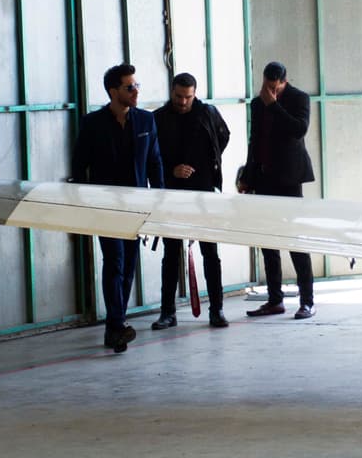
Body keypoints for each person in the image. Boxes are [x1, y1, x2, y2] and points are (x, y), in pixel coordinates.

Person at [71, 63, 164, 353]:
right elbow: (78, 165)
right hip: (105, 207)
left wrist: (160, 202)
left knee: (127, 268)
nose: (135, 91)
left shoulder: (147, 122)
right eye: (129, 87)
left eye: (137, 86)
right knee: (114, 263)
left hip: (137, 207)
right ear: (114, 92)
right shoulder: (92, 123)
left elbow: (155, 163)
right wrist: (81, 203)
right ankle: (116, 325)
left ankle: (115, 326)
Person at [151, 72, 232, 330]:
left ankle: (217, 309)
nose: (183, 102)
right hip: (171, 192)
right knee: (171, 253)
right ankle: (168, 312)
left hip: (203, 191)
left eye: (188, 97)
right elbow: (153, 156)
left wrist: (206, 164)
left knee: (210, 252)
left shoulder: (207, 113)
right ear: (171, 92)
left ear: (194, 94)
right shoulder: (159, 118)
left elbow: (223, 136)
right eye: (178, 96)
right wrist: (171, 171)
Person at [237, 61, 317, 320]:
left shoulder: (298, 98)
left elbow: (298, 130)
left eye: (275, 87)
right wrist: (247, 176)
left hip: (290, 178)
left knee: (295, 240)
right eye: (267, 86)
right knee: (268, 242)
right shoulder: (257, 103)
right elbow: (255, 141)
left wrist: (274, 105)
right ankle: (274, 300)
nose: (270, 91)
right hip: (264, 178)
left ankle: (307, 301)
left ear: (284, 81)